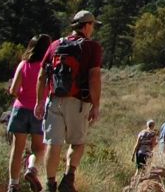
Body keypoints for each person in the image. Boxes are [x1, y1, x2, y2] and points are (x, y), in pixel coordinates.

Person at [36, 11, 102, 192]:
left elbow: (42, 75)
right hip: (78, 101)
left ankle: (50, 185)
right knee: (77, 143)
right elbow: (94, 76)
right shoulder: (91, 47)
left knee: (52, 144)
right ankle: (68, 178)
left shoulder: (55, 44)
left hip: (54, 100)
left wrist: (39, 101)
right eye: (93, 25)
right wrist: (96, 105)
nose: (93, 29)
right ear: (86, 25)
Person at [5, 34, 50, 192]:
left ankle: (13, 184)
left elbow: (13, 90)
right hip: (39, 110)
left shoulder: (23, 64)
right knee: (39, 148)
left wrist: (23, 97)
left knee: (17, 148)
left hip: (20, 109)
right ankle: (31, 168)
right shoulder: (47, 67)